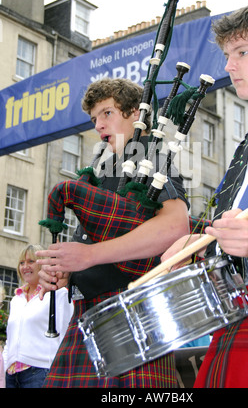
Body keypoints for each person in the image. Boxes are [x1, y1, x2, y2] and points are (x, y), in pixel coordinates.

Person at [161, 1, 248, 388]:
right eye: (226, 55)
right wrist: (199, 242)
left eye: (243, 52)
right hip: (240, 302)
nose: (229, 66)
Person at [37, 78, 190, 388]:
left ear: (137, 113)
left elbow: (176, 228)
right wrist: (70, 272)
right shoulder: (108, 171)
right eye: (94, 118)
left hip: (130, 310)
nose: (98, 125)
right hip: (92, 311)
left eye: (107, 113)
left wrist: (89, 255)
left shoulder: (151, 157)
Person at [2, 244, 73, 388]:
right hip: (11, 375)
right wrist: (5, 366)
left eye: (31, 261)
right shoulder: (16, 299)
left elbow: (67, 334)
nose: (25, 266)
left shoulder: (58, 294)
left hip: (40, 372)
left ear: (42, 264)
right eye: (21, 263)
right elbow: (10, 339)